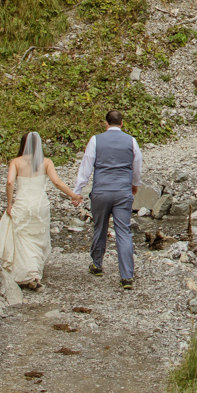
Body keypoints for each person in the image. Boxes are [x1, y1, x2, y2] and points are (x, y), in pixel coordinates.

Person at [0, 131, 80, 291]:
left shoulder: (16, 162)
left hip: (23, 203)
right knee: (37, 238)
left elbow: (10, 182)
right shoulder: (46, 162)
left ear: (23, 144)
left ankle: (24, 273)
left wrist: (9, 203)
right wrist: (73, 195)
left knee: (22, 238)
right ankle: (34, 274)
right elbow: (57, 182)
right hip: (40, 205)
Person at [72, 109, 143, 287]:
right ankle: (127, 275)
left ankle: (97, 264)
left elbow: (86, 166)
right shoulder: (131, 141)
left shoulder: (96, 140)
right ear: (122, 124)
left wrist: (77, 190)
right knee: (124, 232)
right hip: (122, 192)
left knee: (100, 227)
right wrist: (135, 185)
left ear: (106, 124)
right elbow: (137, 166)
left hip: (101, 191)